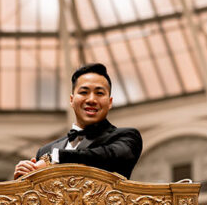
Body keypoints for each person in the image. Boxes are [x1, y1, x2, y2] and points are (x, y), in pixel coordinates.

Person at [14, 63, 142, 179]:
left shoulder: (127, 137)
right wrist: (23, 177)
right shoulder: (45, 151)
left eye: (99, 93)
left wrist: (56, 159)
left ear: (109, 102)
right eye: (84, 92)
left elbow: (109, 157)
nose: (91, 99)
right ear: (71, 100)